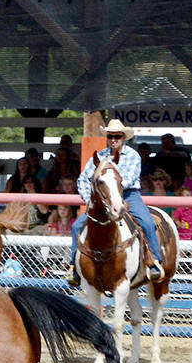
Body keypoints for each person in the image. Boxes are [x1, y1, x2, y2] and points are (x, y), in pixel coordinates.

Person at [67, 119, 166, 286]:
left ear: (123, 138)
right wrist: (89, 198)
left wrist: (112, 188)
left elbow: (129, 179)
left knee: (148, 222)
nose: (113, 139)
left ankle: (155, 261)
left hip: (129, 196)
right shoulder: (99, 157)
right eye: (110, 136)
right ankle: (74, 268)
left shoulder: (133, 156)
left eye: (117, 136)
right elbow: (83, 179)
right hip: (103, 199)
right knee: (77, 226)